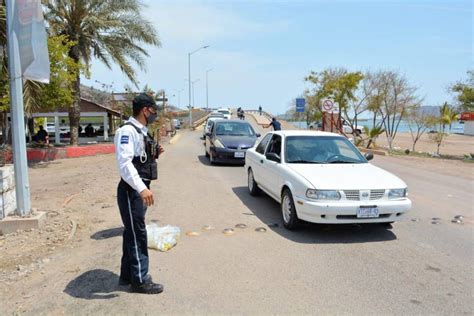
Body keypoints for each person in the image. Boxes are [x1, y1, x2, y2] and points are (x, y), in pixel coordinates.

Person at [114, 93, 165, 295]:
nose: (154, 114)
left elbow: (140, 158)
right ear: (145, 110)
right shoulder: (127, 131)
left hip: (139, 188)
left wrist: (155, 152)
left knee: (131, 233)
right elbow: (124, 163)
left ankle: (127, 276)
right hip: (131, 190)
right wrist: (141, 188)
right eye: (153, 110)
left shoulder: (142, 131)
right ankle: (140, 281)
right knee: (138, 235)